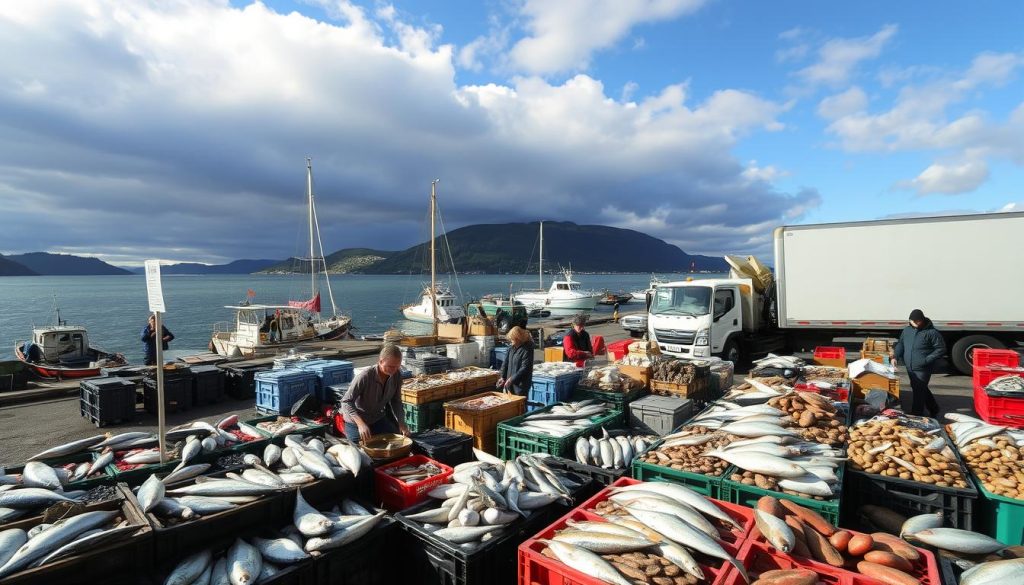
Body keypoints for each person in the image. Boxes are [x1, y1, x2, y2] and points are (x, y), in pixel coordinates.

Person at [341, 344, 410, 443]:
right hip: (356, 421)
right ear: (381, 361)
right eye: (390, 366)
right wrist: (361, 424)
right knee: (362, 450)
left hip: (377, 418)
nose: (394, 370)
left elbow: (396, 402)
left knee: (398, 441)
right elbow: (346, 402)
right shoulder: (365, 376)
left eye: (397, 367)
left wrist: (402, 423)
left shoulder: (397, 374)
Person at [893, 308, 946, 417]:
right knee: (920, 387)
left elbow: (941, 349)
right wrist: (895, 357)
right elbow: (901, 344)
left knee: (918, 390)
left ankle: (917, 413)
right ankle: (934, 408)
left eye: (919, 321)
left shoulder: (931, 332)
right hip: (910, 366)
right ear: (910, 320)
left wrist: (927, 359)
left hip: (923, 367)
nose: (917, 323)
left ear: (923, 320)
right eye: (914, 321)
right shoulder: (907, 330)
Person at [497, 326, 534, 396]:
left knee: (519, 404)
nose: (511, 340)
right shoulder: (511, 348)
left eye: (512, 339)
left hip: (521, 385)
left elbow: (525, 368)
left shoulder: (527, 349)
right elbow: (505, 363)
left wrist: (512, 379)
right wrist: (502, 377)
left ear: (518, 338)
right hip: (509, 383)